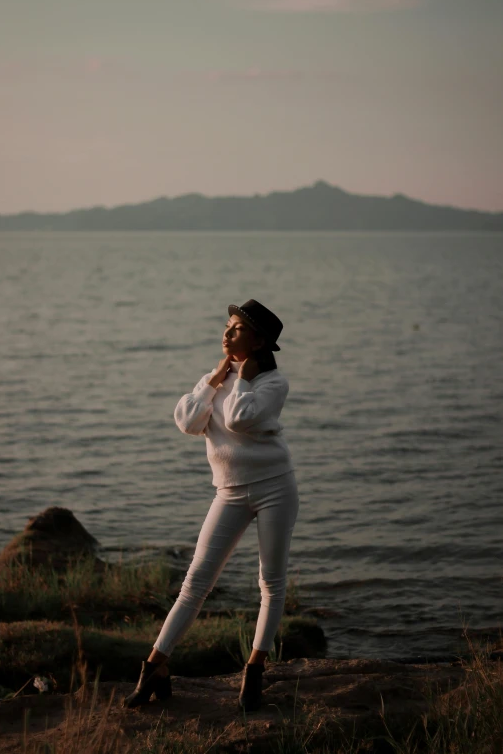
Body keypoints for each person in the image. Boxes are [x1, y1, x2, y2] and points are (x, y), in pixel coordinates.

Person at [123, 299, 299, 712]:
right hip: (229, 492)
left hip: (276, 488)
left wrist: (241, 379)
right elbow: (187, 421)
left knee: (270, 583)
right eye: (227, 325)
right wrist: (216, 379)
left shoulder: (273, 384)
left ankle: (254, 670)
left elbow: (239, 419)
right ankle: (154, 665)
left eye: (236, 328)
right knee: (195, 584)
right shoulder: (215, 379)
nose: (226, 333)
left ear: (257, 342)